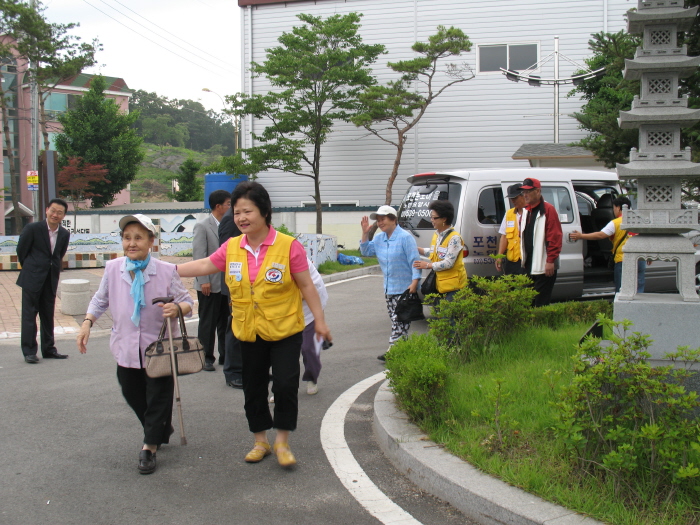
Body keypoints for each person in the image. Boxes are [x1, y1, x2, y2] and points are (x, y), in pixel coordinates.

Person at [176, 181, 331, 469]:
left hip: (285, 330)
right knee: (254, 386)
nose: (241, 218)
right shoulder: (232, 247)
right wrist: (168, 269)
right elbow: (204, 265)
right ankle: (260, 441)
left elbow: (307, 286)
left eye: (247, 211)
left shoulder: (288, 246)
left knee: (285, 384)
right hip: (248, 331)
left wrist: (319, 321)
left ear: (265, 210)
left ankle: (282, 441)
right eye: (236, 213)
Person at [76, 214, 193, 475]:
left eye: (138, 237)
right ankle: (161, 427)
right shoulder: (113, 269)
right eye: (127, 237)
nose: (132, 243)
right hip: (126, 347)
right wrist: (87, 322)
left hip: (160, 347)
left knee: (158, 398)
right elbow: (100, 300)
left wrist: (177, 308)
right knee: (131, 391)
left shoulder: (165, 271)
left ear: (151, 241)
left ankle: (149, 447)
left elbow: (188, 302)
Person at [360, 205, 421, 361]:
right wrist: (365, 233)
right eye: (378, 220)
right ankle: (404, 350)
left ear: (394, 219)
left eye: (383, 219)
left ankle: (392, 352)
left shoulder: (405, 237)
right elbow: (366, 251)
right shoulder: (380, 239)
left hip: (405, 288)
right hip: (389, 288)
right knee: (398, 321)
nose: (380, 223)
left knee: (399, 320)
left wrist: (414, 283)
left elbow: (415, 261)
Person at [16, 198, 70, 364]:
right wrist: (32, 268)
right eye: (53, 211)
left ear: (63, 216)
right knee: (29, 315)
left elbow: (58, 255)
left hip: (50, 279)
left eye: (59, 213)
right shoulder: (33, 228)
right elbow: (21, 251)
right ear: (47, 210)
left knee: (48, 315)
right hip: (32, 278)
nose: (55, 215)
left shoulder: (64, 234)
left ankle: (49, 349)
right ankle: (29, 351)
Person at [570, 196, 646, 293]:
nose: (614, 210)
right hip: (640, 259)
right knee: (638, 289)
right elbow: (645, 238)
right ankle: (637, 307)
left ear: (618, 208)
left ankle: (623, 307)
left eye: (614, 208)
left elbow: (600, 235)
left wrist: (581, 236)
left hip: (623, 260)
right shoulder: (639, 221)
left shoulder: (616, 223)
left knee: (623, 291)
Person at [193, 189, 231, 372]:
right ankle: (206, 357)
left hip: (226, 284)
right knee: (208, 322)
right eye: (228, 204)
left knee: (225, 321)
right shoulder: (203, 226)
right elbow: (199, 255)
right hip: (209, 284)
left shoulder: (229, 225)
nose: (230, 208)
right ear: (218, 206)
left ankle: (225, 355)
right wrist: (203, 280)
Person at [518, 178, 562, 306]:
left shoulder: (548, 209)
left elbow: (554, 237)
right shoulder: (526, 210)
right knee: (529, 301)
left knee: (541, 301)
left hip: (544, 264)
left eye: (528, 192)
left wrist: (550, 261)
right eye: (523, 192)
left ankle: (541, 325)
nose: (525, 195)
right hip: (529, 262)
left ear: (538, 191)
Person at [412, 200, 467, 301]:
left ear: (444, 219)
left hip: (454, 286)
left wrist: (428, 265)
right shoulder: (437, 234)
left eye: (434, 217)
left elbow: (448, 262)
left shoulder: (454, 238)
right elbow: (435, 252)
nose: (431, 220)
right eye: (431, 217)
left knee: (449, 316)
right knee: (441, 315)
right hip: (440, 285)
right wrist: (420, 250)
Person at [218, 211, 243, 389]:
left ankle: (254, 369)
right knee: (234, 328)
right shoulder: (229, 220)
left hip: (253, 286)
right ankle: (232, 372)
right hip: (236, 284)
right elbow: (227, 255)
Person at [301, 258, 328, 395]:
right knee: (283, 353)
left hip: (310, 310)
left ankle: (312, 378)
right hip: (282, 313)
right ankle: (282, 388)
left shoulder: (296, 257)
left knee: (308, 348)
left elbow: (310, 288)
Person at [495, 185, 526, 275]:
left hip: (526, 260)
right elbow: (504, 236)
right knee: (511, 286)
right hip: (512, 259)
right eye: (511, 198)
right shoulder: (509, 213)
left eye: (515, 198)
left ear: (523, 195)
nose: (513, 201)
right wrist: (499, 256)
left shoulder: (530, 213)